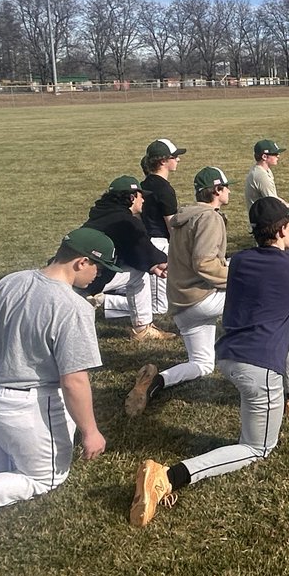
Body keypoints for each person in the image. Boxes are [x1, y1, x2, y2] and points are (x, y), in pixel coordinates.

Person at [129, 197, 289, 528]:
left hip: (228, 355)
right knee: (257, 448)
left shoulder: (240, 261)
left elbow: (277, 307)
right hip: (258, 367)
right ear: (285, 229)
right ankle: (168, 477)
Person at [0, 227, 116, 520]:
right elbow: (74, 380)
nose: (98, 277)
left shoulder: (9, 282)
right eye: (99, 268)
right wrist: (91, 432)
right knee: (47, 478)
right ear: (81, 262)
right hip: (28, 407)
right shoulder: (73, 307)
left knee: (15, 464)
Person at [124, 166, 231, 417]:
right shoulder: (210, 217)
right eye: (226, 187)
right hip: (201, 299)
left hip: (181, 304)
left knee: (202, 365)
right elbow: (204, 263)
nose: (228, 191)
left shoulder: (186, 215)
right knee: (258, 287)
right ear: (217, 190)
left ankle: (156, 382)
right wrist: (237, 279)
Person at [83, 176, 172, 341]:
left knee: (139, 271)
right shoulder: (127, 221)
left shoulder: (100, 216)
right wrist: (162, 263)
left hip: (68, 273)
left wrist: (152, 264)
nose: (143, 199)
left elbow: (134, 252)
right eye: (141, 195)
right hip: (85, 280)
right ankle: (142, 328)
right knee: (139, 275)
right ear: (131, 197)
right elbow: (147, 252)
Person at [140, 137, 186, 316]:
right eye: (174, 157)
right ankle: (108, 301)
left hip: (145, 242)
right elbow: (172, 226)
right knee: (160, 307)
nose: (178, 160)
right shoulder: (165, 189)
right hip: (159, 246)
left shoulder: (143, 184)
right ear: (163, 161)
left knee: (150, 291)